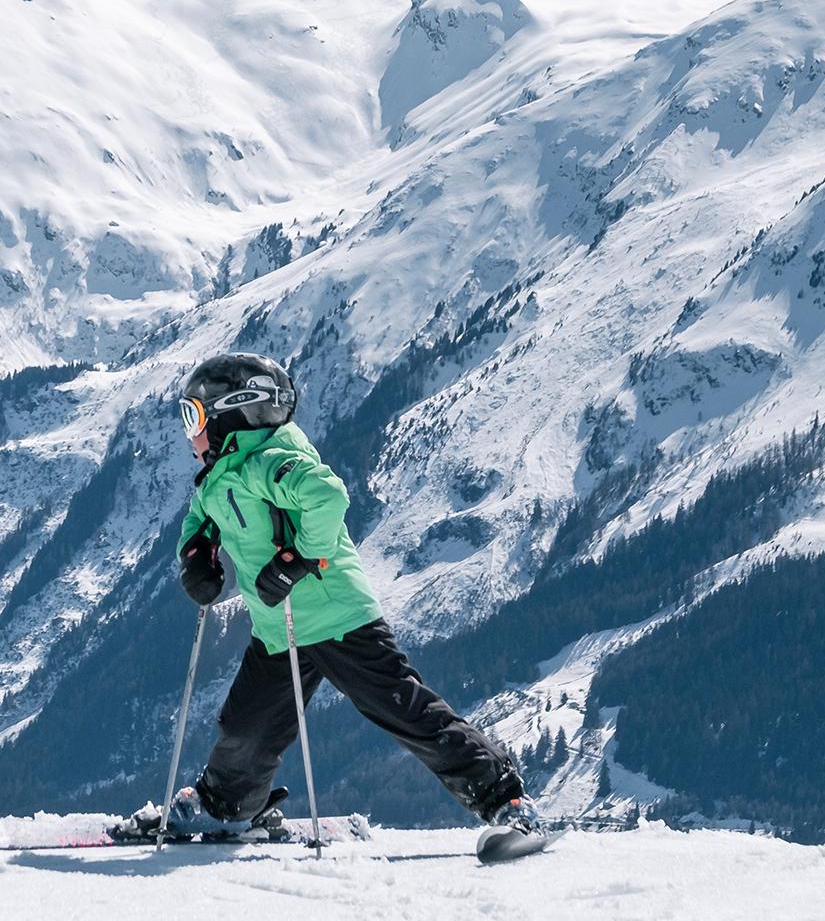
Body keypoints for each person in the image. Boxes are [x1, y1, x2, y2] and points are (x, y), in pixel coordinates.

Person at [155, 352, 540, 838]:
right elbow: (201, 518)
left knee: (405, 711)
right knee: (245, 728)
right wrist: (196, 555)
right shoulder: (221, 474)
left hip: (337, 617)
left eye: (193, 415)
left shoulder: (272, 461)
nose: (188, 431)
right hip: (278, 628)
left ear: (233, 411)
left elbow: (328, 495)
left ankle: (506, 800)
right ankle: (228, 808)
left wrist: (296, 560)